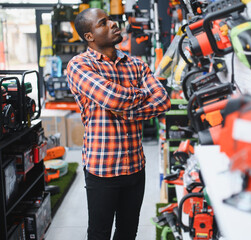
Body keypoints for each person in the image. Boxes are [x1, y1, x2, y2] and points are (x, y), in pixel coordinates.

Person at [67, 8, 171, 240]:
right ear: (89, 37)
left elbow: (163, 101)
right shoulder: (79, 65)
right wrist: (142, 93)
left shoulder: (135, 63)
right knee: (99, 233)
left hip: (135, 165)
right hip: (102, 168)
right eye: (103, 23)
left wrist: (127, 113)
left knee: (127, 232)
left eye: (111, 19)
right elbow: (113, 98)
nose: (113, 24)